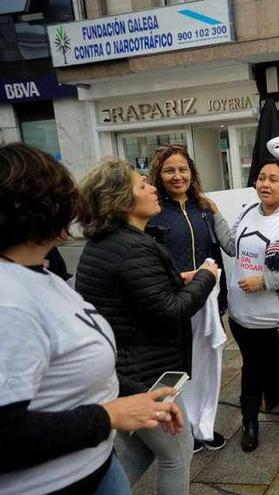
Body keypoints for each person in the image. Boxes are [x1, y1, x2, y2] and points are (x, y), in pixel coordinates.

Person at [0, 143, 186, 495]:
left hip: (95, 466)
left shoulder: (40, 274)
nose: (76, 204)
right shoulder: (9, 303)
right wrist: (109, 416)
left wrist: (137, 398)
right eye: (63, 192)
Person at [76, 157, 219, 495]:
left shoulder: (108, 242)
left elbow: (138, 297)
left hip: (126, 369)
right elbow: (170, 311)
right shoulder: (133, 248)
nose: (153, 187)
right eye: (142, 185)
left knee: (141, 449)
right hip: (145, 374)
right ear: (121, 200)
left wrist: (175, 280)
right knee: (177, 453)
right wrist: (205, 279)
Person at [211, 160, 279, 450]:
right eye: (261, 178)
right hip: (242, 317)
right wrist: (215, 214)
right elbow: (233, 246)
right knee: (252, 370)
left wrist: (264, 281)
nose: (265, 184)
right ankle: (249, 422)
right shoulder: (247, 212)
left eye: (274, 179)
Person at [146, 144, 227, 453]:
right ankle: (186, 428)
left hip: (206, 298)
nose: (177, 176)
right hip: (175, 300)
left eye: (182, 169)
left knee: (209, 363)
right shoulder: (153, 211)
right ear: (159, 175)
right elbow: (150, 262)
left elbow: (225, 247)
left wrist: (216, 211)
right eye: (169, 170)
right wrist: (177, 280)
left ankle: (205, 426)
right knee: (182, 367)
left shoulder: (203, 208)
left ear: (192, 172)